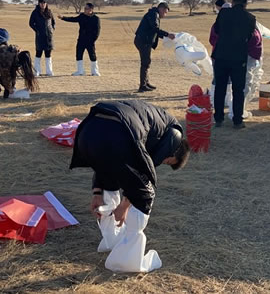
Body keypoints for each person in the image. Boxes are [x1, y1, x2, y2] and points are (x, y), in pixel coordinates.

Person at [70, 100, 190, 272]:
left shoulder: (154, 121)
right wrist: (125, 205)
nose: (163, 160)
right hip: (119, 132)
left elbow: (104, 166)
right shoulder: (175, 135)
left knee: (111, 171)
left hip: (87, 132)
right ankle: (127, 259)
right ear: (175, 151)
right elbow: (142, 175)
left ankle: (113, 240)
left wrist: (97, 193)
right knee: (145, 192)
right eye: (168, 160)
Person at [212, 0, 256, 129]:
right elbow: (249, 36)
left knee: (220, 88)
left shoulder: (223, 13)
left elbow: (217, 30)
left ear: (233, 1)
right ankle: (237, 120)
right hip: (238, 58)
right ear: (245, 3)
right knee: (238, 90)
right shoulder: (250, 18)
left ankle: (218, 118)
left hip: (221, 56)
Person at [134, 2, 175, 92]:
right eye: (165, 12)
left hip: (144, 41)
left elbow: (154, 31)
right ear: (162, 9)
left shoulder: (154, 14)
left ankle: (146, 83)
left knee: (147, 62)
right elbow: (155, 28)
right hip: (143, 41)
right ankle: (142, 86)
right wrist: (167, 34)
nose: (165, 15)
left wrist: (165, 36)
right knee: (145, 62)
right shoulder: (153, 14)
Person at [57, 2, 101, 76]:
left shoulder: (96, 19)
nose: (85, 10)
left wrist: (93, 40)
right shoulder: (82, 16)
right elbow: (73, 19)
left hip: (90, 41)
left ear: (91, 9)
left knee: (92, 55)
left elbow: (97, 31)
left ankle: (95, 71)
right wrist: (63, 18)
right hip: (81, 39)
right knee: (79, 55)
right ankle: (80, 71)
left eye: (86, 8)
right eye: (84, 8)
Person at [29, 0, 55, 76]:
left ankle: (49, 71)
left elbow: (53, 22)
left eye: (44, 3)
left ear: (46, 4)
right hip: (40, 36)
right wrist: (37, 30)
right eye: (41, 3)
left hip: (49, 36)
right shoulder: (35, 12)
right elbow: (31, 23)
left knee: (48, 54)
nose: (43, 4)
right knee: (38, 53)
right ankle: (36, 71)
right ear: (39, 3)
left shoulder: (49, 11)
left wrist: (52, 29)